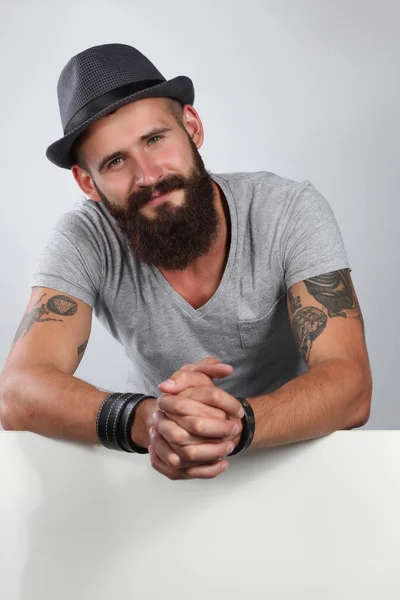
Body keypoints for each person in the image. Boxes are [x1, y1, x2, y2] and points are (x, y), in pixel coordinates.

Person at [0, 43, 372, 480]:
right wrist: (150, 421)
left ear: (191, 127)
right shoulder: (84, 238)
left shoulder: (289, 210)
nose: (149, 175)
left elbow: (351, 384)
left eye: (155, 139)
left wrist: (232, 426)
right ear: (88, 181)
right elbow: (18, 393)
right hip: (161, 468)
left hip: (294, 462)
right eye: (116, 161)